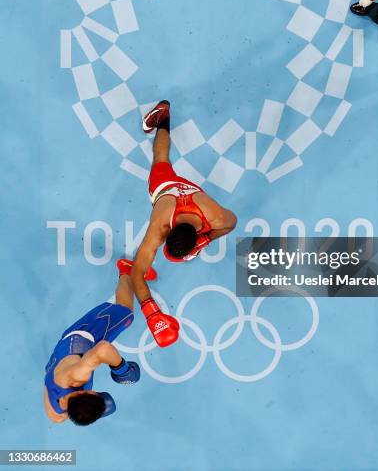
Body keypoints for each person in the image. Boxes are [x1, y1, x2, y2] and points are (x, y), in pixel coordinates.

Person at [131, 100, 237, 346]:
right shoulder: (163, 226)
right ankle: (163, 116)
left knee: (161, 157)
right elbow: (136, 271)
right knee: (160, 159)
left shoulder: (212, 219)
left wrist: (204, 240)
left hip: (184, 194)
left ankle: (164, 119)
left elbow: (140, 272)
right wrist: (152, 315)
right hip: (165, 189)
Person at [43, 258, 176, 425]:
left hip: (84, 336)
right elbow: (50, 389)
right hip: (60, 356)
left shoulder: (78, 375)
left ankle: (127, 272)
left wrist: (122, 369)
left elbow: (103, 350)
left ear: (82, 393)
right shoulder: (56, 414)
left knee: (126, 312)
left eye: (94, 393)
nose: (96, 392)